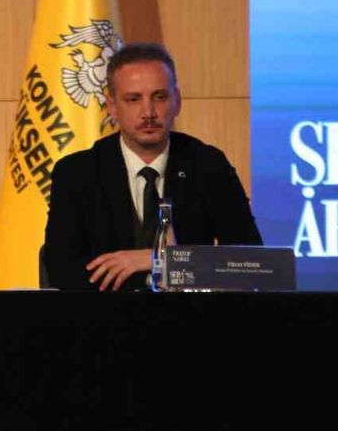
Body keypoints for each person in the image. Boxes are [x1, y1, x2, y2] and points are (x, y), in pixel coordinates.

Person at [43, 42, 262, 291]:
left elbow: (250, 261)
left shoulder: (208, 165)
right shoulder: (77, 173)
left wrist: (158, 259)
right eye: (133, 99)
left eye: (160, 97)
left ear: (177, 101)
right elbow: (62, 270)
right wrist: (155, 276)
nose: (148, 112)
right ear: (111, 106)